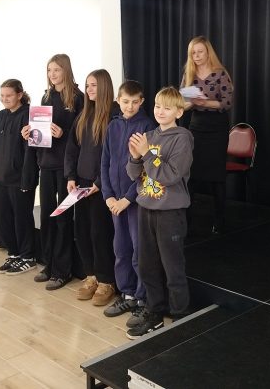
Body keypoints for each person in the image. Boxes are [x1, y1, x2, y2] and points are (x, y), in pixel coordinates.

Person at [125, 87, 193, 339]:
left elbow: (170, 175)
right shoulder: (149, 136)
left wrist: (145, 153)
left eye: (167, 107)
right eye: (157, 106)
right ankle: (155, 312)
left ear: (179, 112)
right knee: (147, 265)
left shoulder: (182, 138)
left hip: (169, 212)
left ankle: (180, 315)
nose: (160, 111)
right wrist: (135, 157)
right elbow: (134, 175)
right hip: (146, 208)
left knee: (172, 267)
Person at [22, 54, 84, 290]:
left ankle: (62, 270)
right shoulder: (46, 96)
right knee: (47, 217)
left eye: (57, 69)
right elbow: (41, 132)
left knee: (63, 218)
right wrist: (30, 132)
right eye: (49, 70)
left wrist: (63, 134)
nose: (52, 74)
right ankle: (49, 265)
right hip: (46, 165)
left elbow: (81, 135)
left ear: (66, 70)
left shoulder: (77, 97)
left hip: (66, 168)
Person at [101, 80, 154, 325]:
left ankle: (142, 299)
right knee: (121, 249)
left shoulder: (147, 126)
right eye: (125, 102)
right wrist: (108, 195)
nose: (130, 106)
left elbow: (146, 170)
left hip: (135, 201)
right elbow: (105, 162)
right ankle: (128, 293)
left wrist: (127, 199)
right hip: (115, 200)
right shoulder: (113, 126)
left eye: (134, 102)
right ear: (118, 101)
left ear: (141, 101)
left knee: (138, 250)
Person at [64, 69, 117, 307]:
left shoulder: (114, 115)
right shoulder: (83, 115)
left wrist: (99, 183)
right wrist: (71, 177)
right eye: (87, 86)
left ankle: (106, 281)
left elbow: (114, 156)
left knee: (100, 233)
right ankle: (91, 275)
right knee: (83, 231)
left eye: (94, 85)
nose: (89, 90)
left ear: (104, 86)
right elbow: (72, 149)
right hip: (82, 185)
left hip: (102, 186)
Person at [182, 36, 233, 233]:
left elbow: (227, 103)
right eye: (193, 53)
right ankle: (187, 220)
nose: (196, 56)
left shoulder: (220, 73)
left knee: (217, 176)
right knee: (192, 173)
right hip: (197, 126)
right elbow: (182, 104)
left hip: (217, 127)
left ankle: (220, 219)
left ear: (208, 52)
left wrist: (206, 103)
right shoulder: (189, 73)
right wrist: (191, 103)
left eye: (200, 52)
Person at [0, 79, 38, 275]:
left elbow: (31, 150)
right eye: (2, 96)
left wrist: (28, 178)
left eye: (9, 95)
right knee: (2, 218)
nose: (5, 99)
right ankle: (14, 253)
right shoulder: (1, 115)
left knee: (22, 219)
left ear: (19, 95)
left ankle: (28, 257)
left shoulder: (29, 115)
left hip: (20, 179)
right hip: (1, 177)